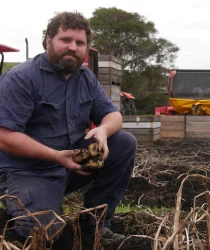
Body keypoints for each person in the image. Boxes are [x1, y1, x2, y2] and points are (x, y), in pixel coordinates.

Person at [0, 11, 137, 242]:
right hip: (28, 171)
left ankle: (94, 225)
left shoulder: (85, 78)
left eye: (79, 43)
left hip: (70, 163)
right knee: (44, 233)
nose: (73, 47)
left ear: (86, 48)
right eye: (65, 40)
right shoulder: (22, 78)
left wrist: (103, 130)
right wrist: (55, 156)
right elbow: (4, 136)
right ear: (47, 41)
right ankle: (11, 217)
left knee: (123, 143)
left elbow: (114, 115)